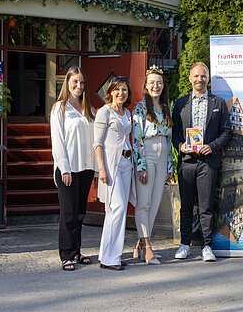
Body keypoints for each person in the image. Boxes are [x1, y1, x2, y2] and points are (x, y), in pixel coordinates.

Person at [172, 62, 231, 262]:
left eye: (203, 76)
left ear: (208, 79)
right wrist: (180, 146)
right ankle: (184, 244)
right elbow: (174, 133)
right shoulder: (180, 104)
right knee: (186, 206)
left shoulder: (218, 103)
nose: (199, 79)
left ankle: (207, 246)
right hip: (187, 161)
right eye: (196, 76)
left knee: (206, 206)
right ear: (190, 79)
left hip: (208, 161)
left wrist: (212, 146)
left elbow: (227, 131)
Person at [50, 66, 97, 271]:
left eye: (82, 82)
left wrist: (96, 168)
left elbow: (95, 139)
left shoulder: (89, 109)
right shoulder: (60, 108)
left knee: (80, 212)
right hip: (68, 168)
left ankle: (76, 251)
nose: (79, 86)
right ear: (67, 83)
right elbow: (58, 141)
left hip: (86, 167)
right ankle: (66, 255)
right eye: (75, 82)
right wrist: (64, 168)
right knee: (68, 213)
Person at [132, 65, 173, 265]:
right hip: (147, 151)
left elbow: (171, 138)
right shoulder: (140, 108)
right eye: (152, 83)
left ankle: (140, 242)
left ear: (163, 85)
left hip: (163, 151)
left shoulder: (166, 108)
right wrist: (140, 165)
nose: (156, 86)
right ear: (146, 86)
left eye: (159, 83)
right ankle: (147, 246)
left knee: (156, 202)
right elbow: (136, 139)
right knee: (144, 202)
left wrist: (170, 166)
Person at [94, 76, 136, 271]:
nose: (121, 93)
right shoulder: (104, 112)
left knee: (120, 209)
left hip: (127, 163)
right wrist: (101, 168)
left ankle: (111, 254)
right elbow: (98, 143)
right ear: (110, 91)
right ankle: (109, 258)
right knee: (116, 208)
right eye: (117, 89)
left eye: (124, 90)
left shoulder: (126, 112)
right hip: (112, 165)